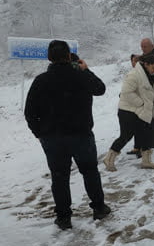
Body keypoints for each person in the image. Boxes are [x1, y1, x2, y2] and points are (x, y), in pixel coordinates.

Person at [24, 40, 110, 230]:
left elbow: (29, 112)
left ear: (49, 58)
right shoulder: (81, 76)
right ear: (69, 56)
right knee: (90, 172)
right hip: (81, 135)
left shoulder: (40, 81)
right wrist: (86, 70)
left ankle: (63, 217)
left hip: (52, 139)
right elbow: (101, 89)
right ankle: (99, 208)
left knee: (59, 177)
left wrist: (39, 133)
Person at [102, 53, 154, 171]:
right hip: (127, 111)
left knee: (146, 134)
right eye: (153, 67)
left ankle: (146, 161)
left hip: (142, 111)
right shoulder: (134, 75)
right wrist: (142, 104)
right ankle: (109, 158)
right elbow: (126, 93)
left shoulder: (150, 75)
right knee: (126, 136)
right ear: (146, 64)